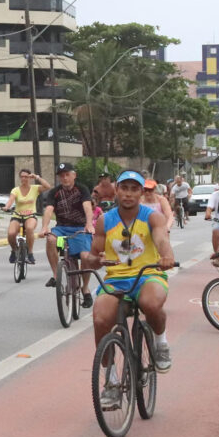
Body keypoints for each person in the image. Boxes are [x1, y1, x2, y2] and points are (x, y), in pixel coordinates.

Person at [82, 170, 175, 408]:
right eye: (125, 188)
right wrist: (93, 260)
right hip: (116, 280)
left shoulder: (152, 217)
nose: (129, 194)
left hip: (148, 275)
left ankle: (161, 342)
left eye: (135, 189)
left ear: (142, 193)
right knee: (101, 319)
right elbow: (94, 254)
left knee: (151, 304)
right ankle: (111, 382)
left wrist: (166, 256)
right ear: (116, 190)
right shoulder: (105, 220)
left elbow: (162, 239)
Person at [39, 163, 96, 306]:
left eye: (67, 174)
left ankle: (85, 287)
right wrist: (45, 227)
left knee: (84, 257)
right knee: (51, 239)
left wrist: (89, 224)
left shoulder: (82, 189)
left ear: (74, 175)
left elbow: (87, 206)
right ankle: (56, 275)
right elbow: (49, 209)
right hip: (62, 229)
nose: (64, 178)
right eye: (61, 175)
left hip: (80, 229)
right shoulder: (55, 192)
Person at [1, 167, 41, 265]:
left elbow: (48, 186)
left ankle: (30, 253)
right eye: (22, 177)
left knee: (30, 228)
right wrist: (7, 207)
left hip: (30, 215)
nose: (24, 179)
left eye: (26, 177)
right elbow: (11, 200)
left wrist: (37, 177)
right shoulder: (16, 190)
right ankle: (14, 250)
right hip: (17, 215)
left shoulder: (35, 188)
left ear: (30, 178)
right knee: (11, 234)